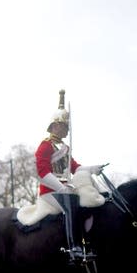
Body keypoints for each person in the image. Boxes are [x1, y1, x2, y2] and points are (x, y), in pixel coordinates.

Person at [34, 89, 105, 264]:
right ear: (56, 126)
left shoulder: (64, 147)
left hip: (67, 187)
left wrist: (92, 169)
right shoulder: (45, 146)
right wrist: (60, 187)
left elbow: (74, 167)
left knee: (87, 202)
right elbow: (42, 172)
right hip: (50, 191)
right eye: (66, 127)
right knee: (71, 205)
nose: (67, 130)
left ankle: (89, 241)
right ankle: (75, 248)